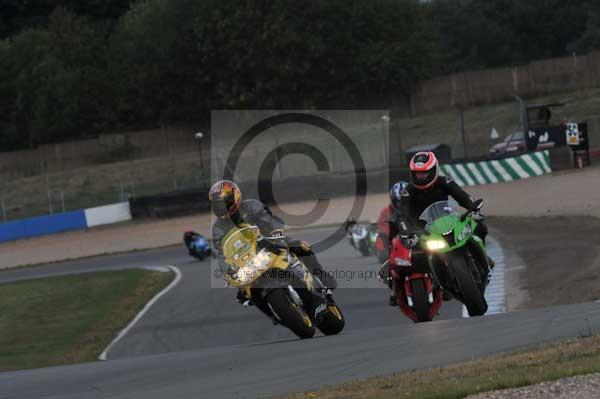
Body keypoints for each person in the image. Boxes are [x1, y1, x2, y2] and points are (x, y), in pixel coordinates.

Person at [209, 180, 337, 312]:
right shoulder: (218, 228)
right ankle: (273, 314)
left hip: (271, 239)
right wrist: (228, 270)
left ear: (235, 197)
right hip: (246, 257)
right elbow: (221, 253)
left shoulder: (252, 206)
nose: (221, 208)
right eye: (217, 205)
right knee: (245, 294)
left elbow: (271, 222)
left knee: (301, 246)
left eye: (225, 203)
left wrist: (276, 236)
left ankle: (321, 276)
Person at [400, 152, 493, 264]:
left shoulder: (445, 182)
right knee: (415, 257)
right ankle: (431, 278)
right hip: (424, 230)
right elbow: (403, 214)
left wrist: (473, 209)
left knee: (480, 227)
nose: (420, 177)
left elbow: (462, 196)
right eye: (417, 174)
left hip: (449, 221)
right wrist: (409, 231)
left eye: (424, 173)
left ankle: (483, 257)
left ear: (434, 170)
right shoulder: (408, 191)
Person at [377, 181, 410, 306]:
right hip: (399, 244)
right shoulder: (386, 213)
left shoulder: (418, 205)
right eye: (399, 202)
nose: (403, 205)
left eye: (405, 201)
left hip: (421, 239)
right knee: (385, 271)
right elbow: (383, 232)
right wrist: (383, 251)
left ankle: (449, 282)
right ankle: (396, 292)